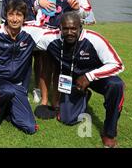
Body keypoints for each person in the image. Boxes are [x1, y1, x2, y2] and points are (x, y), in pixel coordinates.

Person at [37, 12, 124, 148]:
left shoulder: (95, 39)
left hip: (95, 77)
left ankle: (109, 132)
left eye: (74, 28)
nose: (69, 32)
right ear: (60, 27)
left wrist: (89, 76)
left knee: (116, 85)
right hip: (72, 81)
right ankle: (83, 96)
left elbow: (117, 64)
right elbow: (26, 36)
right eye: (65, 28)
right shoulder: (50, 38)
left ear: (80, 27)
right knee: (67, 119)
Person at [35, 0, 94, 119]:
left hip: (69, 36)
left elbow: (87, 13)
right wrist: (39, 2)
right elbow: (34, 4)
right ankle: (45, 101)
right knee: (46, 68)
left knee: (63, 70)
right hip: (48, 33)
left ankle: (57, 102)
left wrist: (77, 9)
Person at [0, 0, 44, 133]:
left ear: (24, 18)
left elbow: (55, 35)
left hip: (17, 86)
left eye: (19, 15)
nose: (15, 19)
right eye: (11, 15)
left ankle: (7, 107)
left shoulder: (31, 33)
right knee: (7, 91)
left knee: (30, 128)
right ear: (5, 16)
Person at [23, 0, 51, 106]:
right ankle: (23, 88)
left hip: (45, 20)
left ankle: (38, 89)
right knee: (24, 57)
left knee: (41, 58)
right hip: (27, 18)